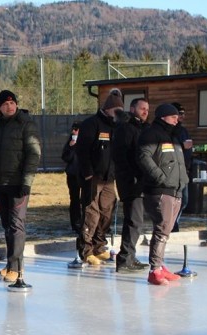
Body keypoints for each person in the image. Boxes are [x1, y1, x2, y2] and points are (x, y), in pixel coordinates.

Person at [0, 90, 41, 290]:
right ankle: (10, 264)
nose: (9, 107)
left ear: (16, 104)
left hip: (18, 184)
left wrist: (26, 182)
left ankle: (18, 269)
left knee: (17, 225)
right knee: (7, 225)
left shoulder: (26, 124)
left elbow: (34, 154)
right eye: (5, 104)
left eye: (12, 103)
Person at [137, 103, 188, 285]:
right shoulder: (152, 134)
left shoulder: (172, 136)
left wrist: (184, 180)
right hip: (160, 190)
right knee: (161, 228)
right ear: (163, 117)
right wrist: (160, 177)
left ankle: (160, 264)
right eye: (173, 117)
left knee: (166, 230)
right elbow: (143, 156)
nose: (177, 120)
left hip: (176, 189)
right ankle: (154, 270)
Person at [76, 88, 124, 266]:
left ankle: (99, 246)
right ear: (107, 109)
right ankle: (86, 250)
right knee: (92, 213)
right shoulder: (92, 124)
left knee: (106, 213)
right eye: (116, 111)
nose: (118, 114)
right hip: (93, 177)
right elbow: (82, 150)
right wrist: (87, 173)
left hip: (110, 178)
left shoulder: (117, 126)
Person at [112, 97, 150, 273]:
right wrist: (134, 176)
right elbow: (123, 156)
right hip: (130, 181)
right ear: (133, 109)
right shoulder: (126, 128)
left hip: (138, 180)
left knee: (135, 221)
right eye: (142, 108)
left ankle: (129, 256)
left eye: (147, 110)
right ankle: (125, 258)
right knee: (134, 221)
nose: (145, 112)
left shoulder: (141, 128)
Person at [171, 102, 194, 232]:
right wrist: (182, 145)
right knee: (176, 199)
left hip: (185, 168)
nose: (182, 116)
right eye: (180, 113)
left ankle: (174, 222)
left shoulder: (183, 130)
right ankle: (172, 225)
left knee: (184, 200)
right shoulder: (170, 130)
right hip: (174, 169)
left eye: (183, 114)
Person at [61, 121, 85, 234]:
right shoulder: (71, 142)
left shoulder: (86, 141)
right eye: (73, 130)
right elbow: (66, 157)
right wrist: (71, 146)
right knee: (74, 200)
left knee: (86, 200)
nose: (73, 132)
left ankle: (86, 222)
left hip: (84, 174)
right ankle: (76, 224)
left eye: (76, 130)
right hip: (72, 175)